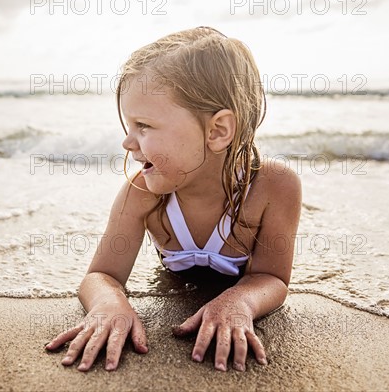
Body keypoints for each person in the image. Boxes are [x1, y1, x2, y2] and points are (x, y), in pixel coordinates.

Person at [46, 26, 301, 372]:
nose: (128, 142)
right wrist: (109, 303)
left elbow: (273, 279)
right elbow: (100, 275)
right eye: (128, 126)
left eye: (144, 126)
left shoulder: (273, 187)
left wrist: (240, 300)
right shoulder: (142, 193)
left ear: (217, 131)